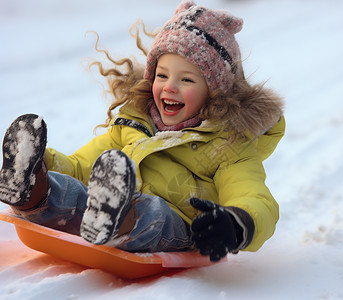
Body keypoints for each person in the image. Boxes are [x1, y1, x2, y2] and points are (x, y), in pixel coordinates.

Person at [0, 0, 284, 262]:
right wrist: (47, 164)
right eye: (162, 75)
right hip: (110, 202)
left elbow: (254, 197)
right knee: (74, 192)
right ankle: (32, 188)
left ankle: (118, 218)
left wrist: (235, 222)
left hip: (179, 226)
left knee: (153, 212)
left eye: (186, 79)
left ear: (216, 93)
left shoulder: (228, 145)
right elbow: (82, 165)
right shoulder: (134, 123)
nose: (169, 87)